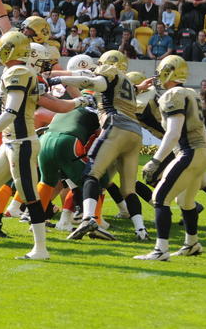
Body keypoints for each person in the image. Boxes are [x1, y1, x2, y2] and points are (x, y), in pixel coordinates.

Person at [0, 32, 91, 259]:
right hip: (11, 141)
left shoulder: (18, 72)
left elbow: (11, 111)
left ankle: (40, 249)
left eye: (2, 48)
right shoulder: (23, 73)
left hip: (21, 142)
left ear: (12, 50)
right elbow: (53, 102)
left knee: (29, 195)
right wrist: (80, 99)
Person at [48, 50, 149, 242]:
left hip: (116, 126)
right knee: (128, 188)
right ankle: (141, 230)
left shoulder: (108, 72)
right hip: (135, 133)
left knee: (91, 174)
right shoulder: (126, 82)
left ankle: (88, 219)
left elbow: (95, 83)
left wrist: (58, 79)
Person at [135, 56, 206, 260]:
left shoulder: (173, 95)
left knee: (160, 198)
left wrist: (156, 160)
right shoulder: (190, 93)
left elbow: (173, 132)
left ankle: (161, 250)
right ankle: (192, 244)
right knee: (186, 201)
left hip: (188, 152)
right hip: (202, 152)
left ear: (168, 72)